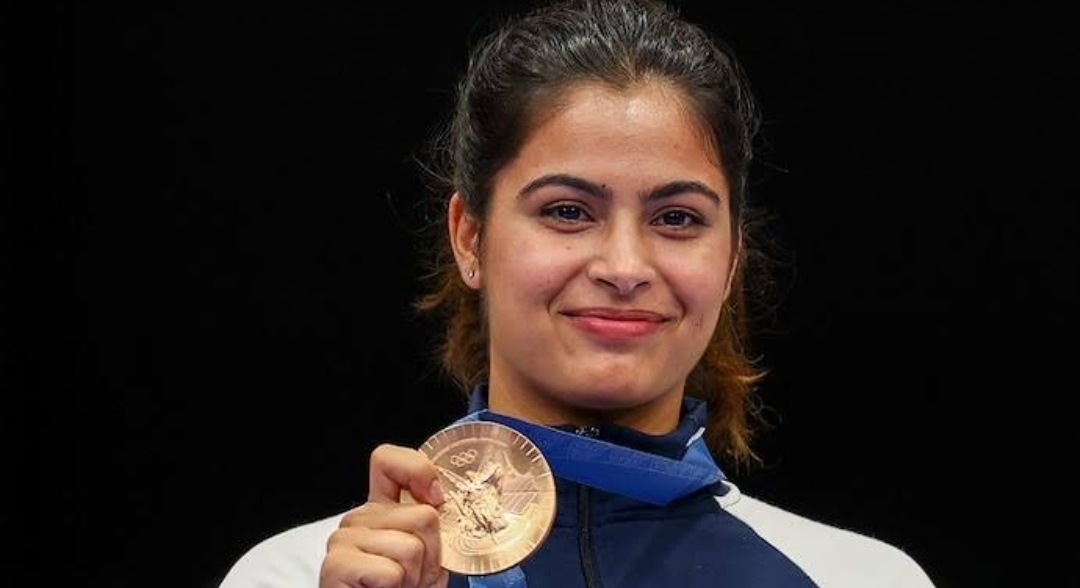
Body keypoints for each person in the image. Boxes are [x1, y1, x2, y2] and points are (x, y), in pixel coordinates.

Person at [217, 0, 937, 586]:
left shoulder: (861, 578)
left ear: (732, 258)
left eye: (677, 219)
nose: (625, 265)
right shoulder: (299, 576)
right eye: (567, 211)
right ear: (470, 237)